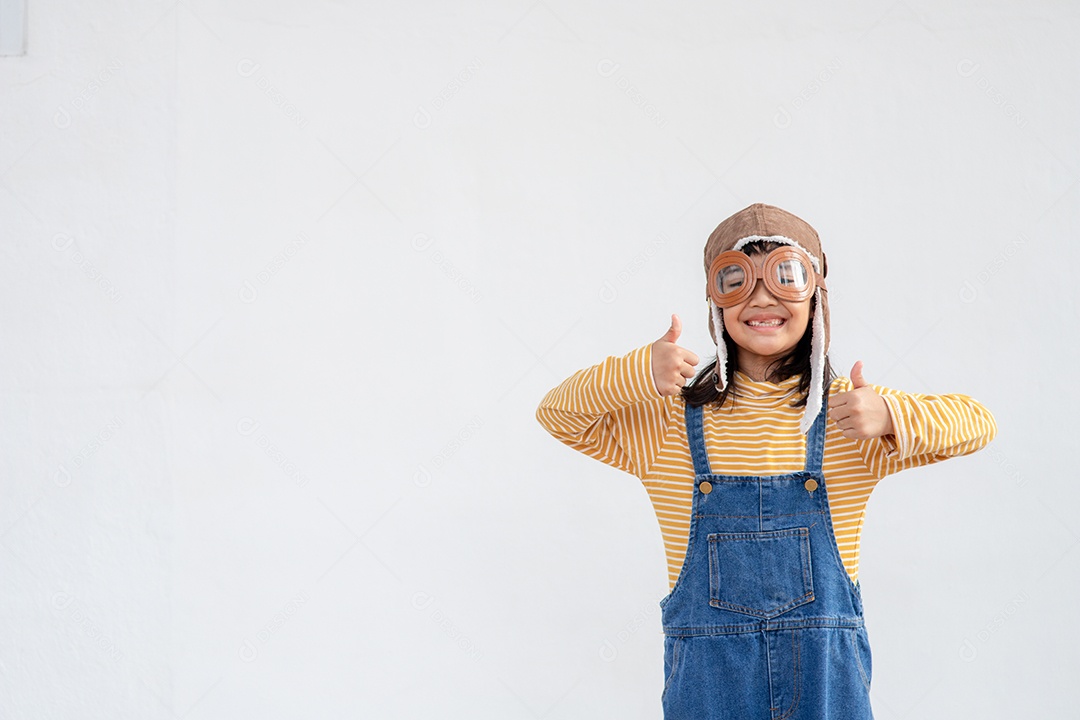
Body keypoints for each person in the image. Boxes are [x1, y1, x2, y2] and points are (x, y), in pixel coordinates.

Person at [535, 203, 997, 719]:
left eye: (785, 277)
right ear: (716, 301)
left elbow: (978, 424)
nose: (761, 300)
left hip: (826, 692)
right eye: (738, 280)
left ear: (817, 295)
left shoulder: (848, 416)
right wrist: (637, 372)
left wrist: (890, 415)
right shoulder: (667, 424)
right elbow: (557, 414)